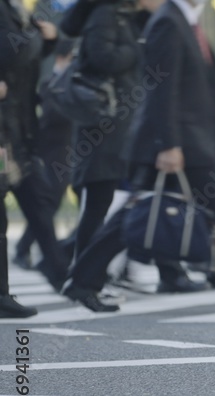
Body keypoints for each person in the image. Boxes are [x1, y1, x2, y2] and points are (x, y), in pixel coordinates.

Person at [62, 0, 215, 313]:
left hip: (190, 139)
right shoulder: (168, 21)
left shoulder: (185, 20)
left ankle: (80, 281)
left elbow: (204, 82)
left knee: (132, 217)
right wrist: (168, 144)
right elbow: (161, 89)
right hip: (178, 141)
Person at [59, 0, 141, 265]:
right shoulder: (106, 14)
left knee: (101, 202)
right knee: (97, 202)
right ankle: (81, 274)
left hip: (112, 122)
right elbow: (102, 57)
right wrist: (135, 48)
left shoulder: (119, 15)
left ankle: (82, 272)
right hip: (103, 123)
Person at [0, 0, 72, 294]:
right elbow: (11, 52)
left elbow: (22, 58)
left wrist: (48, 41)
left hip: (18, 133)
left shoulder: (15, 9)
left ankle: (62, 276)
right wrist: (36, 37)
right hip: (4, 137)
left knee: (38, 200)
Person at [14, 38, 76, 271]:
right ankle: (26, 249)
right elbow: (50, 117)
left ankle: (26, 249)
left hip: (66, 150)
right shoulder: (51, 84)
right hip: (49, 152)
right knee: (45, 203)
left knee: (48, 204)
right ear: (62, 57)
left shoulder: (69, 83)